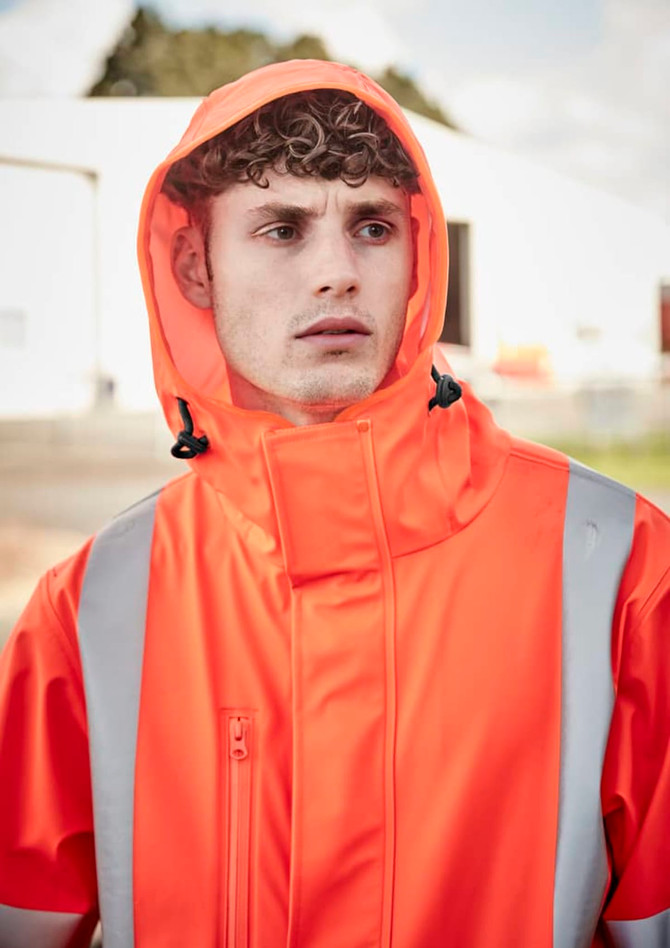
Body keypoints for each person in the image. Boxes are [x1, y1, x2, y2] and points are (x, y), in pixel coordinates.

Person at [0, 59, 668, 948]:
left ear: (417, 254)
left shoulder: (622, 570)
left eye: (373, 227)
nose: (337, 273)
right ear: (194, 268)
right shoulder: (88, 610)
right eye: (282, 229)